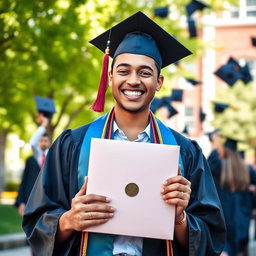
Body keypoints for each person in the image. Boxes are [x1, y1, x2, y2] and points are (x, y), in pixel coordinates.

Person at [23, 11, 226, 256]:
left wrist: (180, 218)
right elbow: (36, 224)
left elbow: (212, 239)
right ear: (109, 77)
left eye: (145, 72)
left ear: (159, 82)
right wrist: (69, 220)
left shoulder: (187, 153)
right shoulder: (72, 145)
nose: (133, 80)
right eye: (123, 71)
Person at [207, 133, 256, 256]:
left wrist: (216, 141)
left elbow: (208, 161)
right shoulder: (247, 170)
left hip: (224, 220)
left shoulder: (218, 166)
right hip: (242, 221)